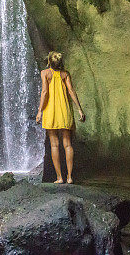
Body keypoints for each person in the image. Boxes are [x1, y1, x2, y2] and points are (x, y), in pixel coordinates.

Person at [35, 51, 86, 184]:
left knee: (54, 145)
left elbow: (45, 92)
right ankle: (69, 177)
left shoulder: (45, 73)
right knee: (68, 144)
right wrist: (79, 109)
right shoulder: (65, 74)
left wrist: (40, 111)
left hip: (51, 111)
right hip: (65, 111)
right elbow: (71, 91)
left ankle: (59, 177)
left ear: (49, 62)